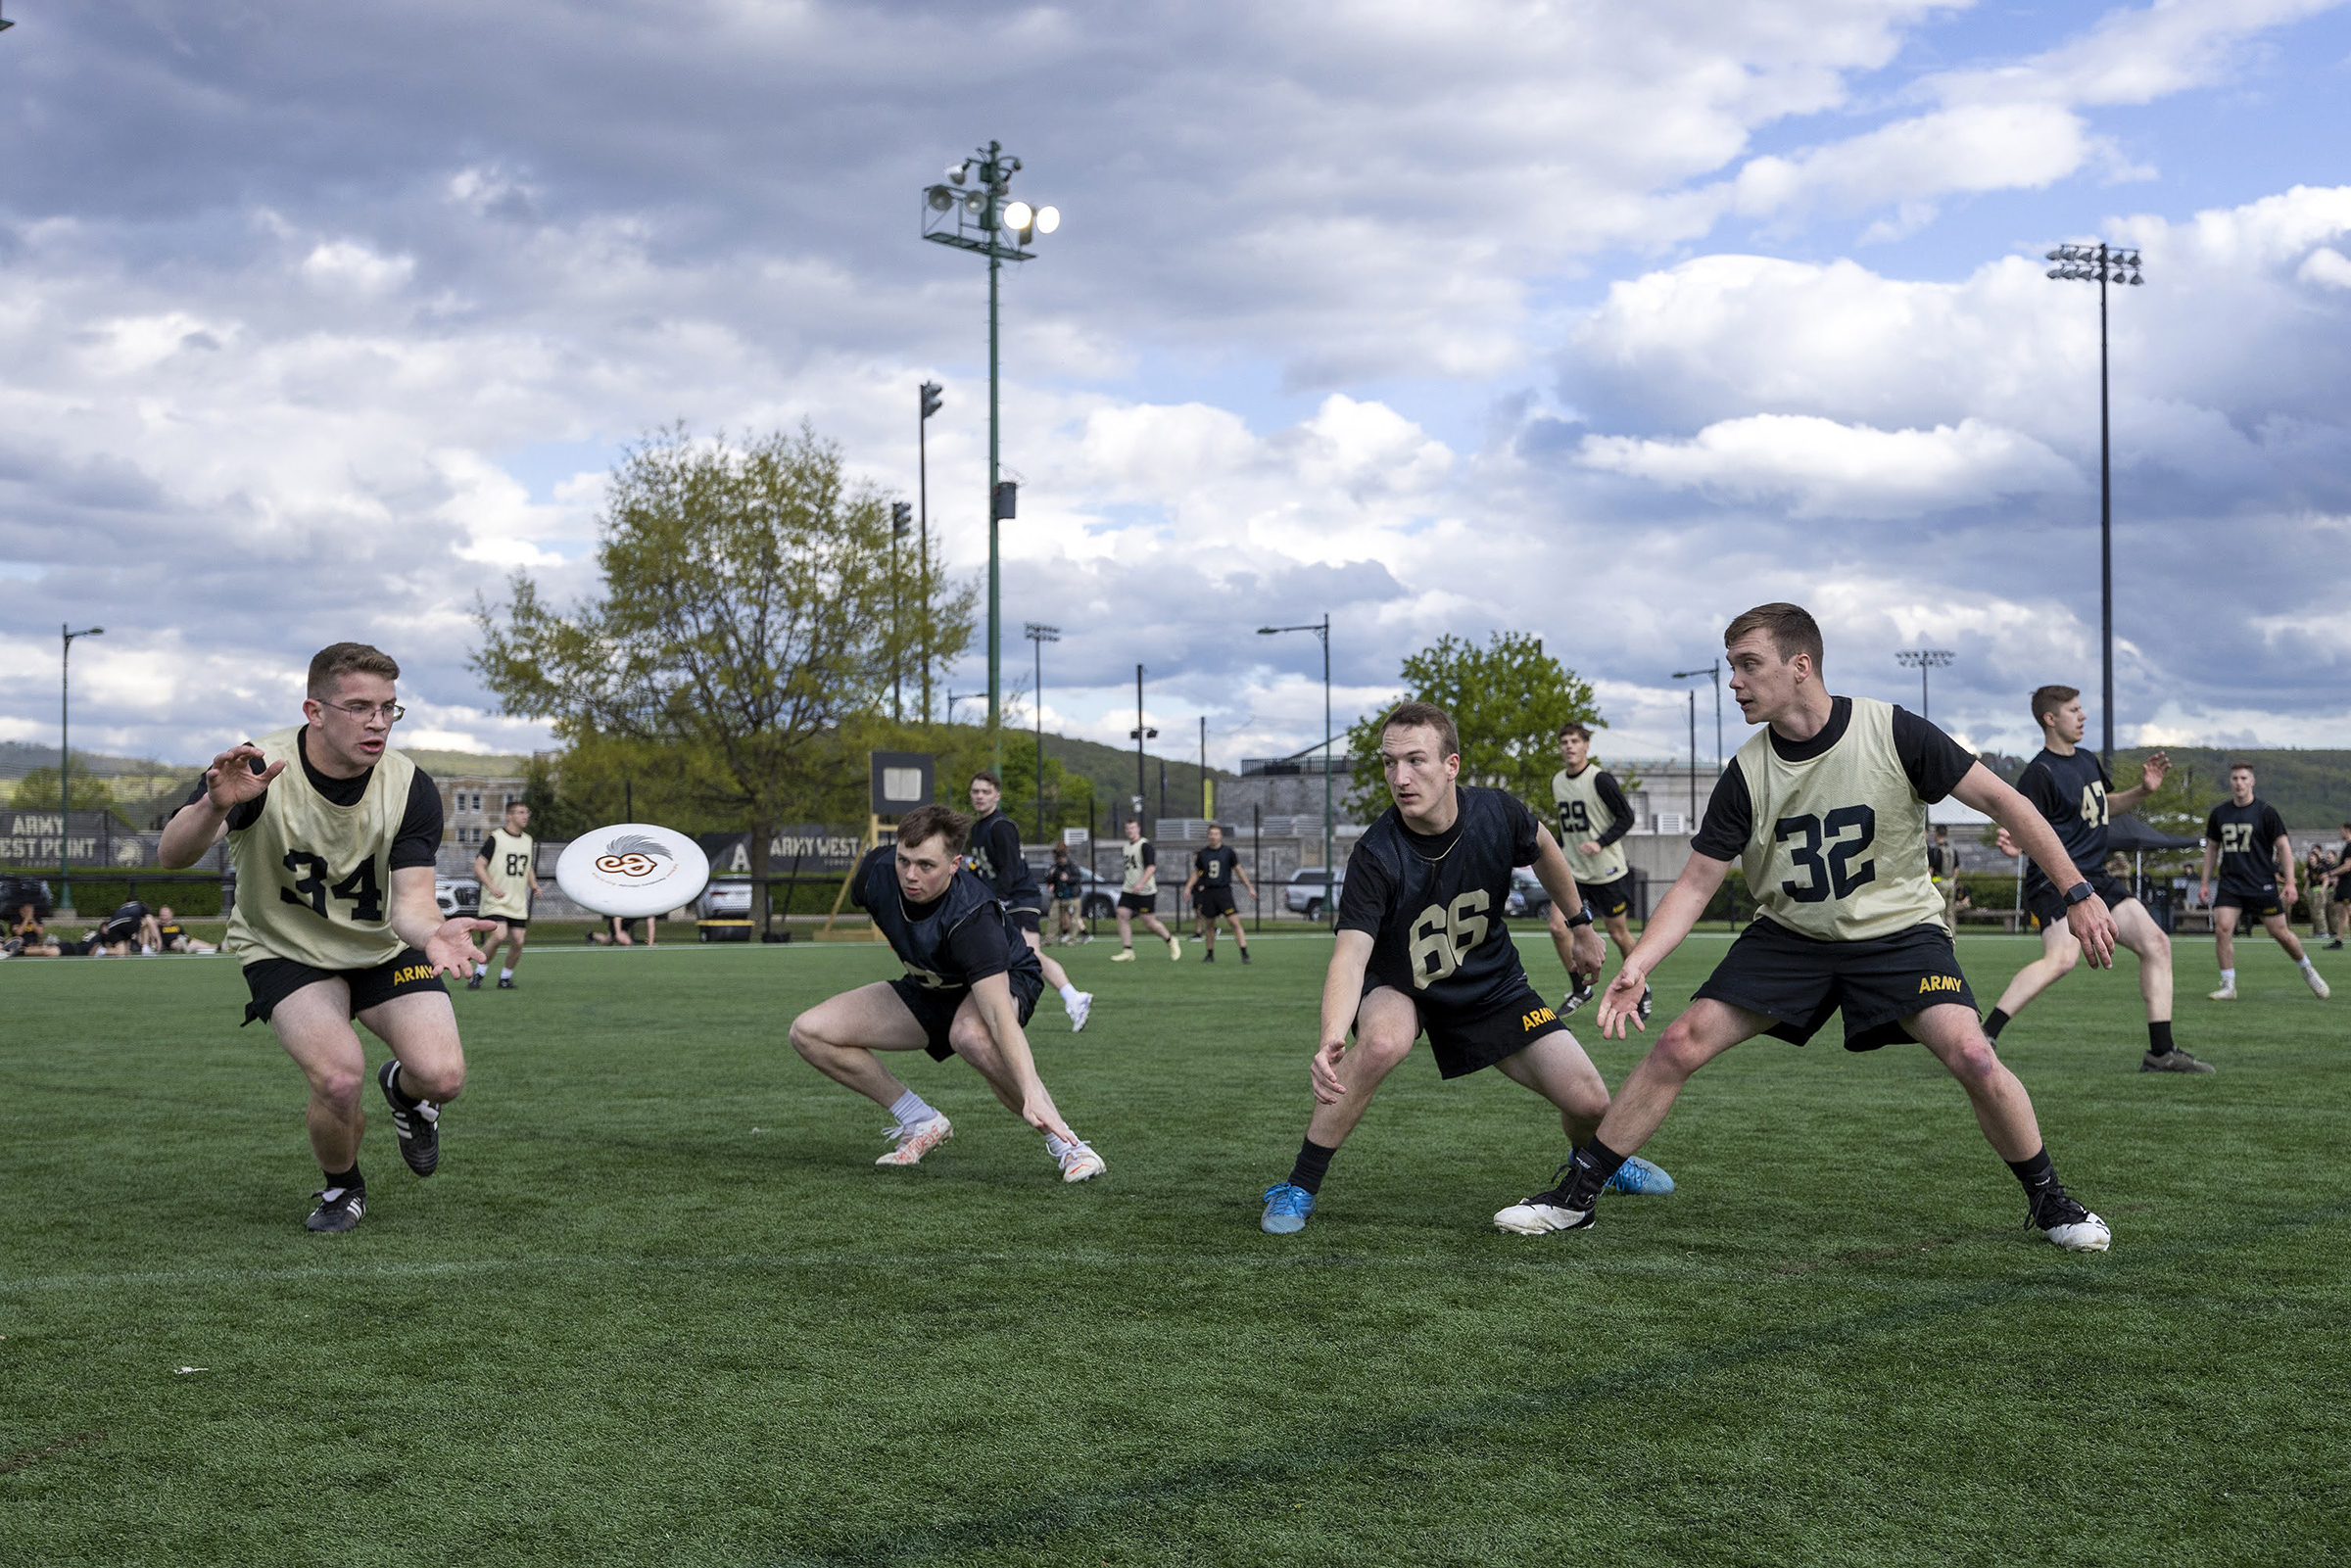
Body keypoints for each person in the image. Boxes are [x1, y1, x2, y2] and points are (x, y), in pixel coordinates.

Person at [1494, 603, 2116, 1253]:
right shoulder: (1748, 769)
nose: (1733, 680)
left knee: (1973, 1053)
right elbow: (1698, 881)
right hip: (1790, 936)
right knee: (1679, 1041)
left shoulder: (1893, 729)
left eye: (1748, 664)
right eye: (1732, 664)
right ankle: (1577, 1196)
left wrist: (2078, 890)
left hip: (1899, 932)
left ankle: (2051, 1202)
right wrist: (1640, 961)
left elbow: (2004, 800)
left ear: (1801, 666)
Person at [1258, 701, 1674, 1237]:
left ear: (1451, 764)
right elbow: (1350, 955)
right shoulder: (1376, 853)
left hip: (1490, 986)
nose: (1400, 778)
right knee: (1383, 1043)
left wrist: (1580, 924)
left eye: (1416, 761)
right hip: (1403, 984)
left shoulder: (1496, 812)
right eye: (1389, 763)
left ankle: (1596, 1164)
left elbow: (1544, 845)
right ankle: (1298, 1185)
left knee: (1592, 1103)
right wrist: (1331, 1037)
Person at [157, 642, 492, 1234]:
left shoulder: (410, 786)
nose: (378, 722)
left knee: (443, 1077)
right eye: (360, 707)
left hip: (382, 946)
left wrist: (435, 933)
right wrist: (214, 806)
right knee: (338, 1077)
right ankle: (343, 1187)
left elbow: (411, 902)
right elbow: (171, 856)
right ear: (315, 711)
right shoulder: (257, 768)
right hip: (286, 948)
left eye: (389, 708)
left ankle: (407, 1093)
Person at [787, 803, 1105, 1183]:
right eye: (903, 860)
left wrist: (1031, 1090)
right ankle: (919, 1120)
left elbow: (1000, 1019)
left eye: (926, 865)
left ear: (954, 864)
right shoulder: (874, 874)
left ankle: (1070, 1146)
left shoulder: (974, 917)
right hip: (932, 984)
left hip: (1004, 979)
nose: (910, 874)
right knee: (809, 1032)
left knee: (970, 1035)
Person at [1977, 687, 2202, 1071]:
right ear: (2050, 719)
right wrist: (2016, 845)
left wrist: (2143, 792)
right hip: (2055, 881)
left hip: (2097, 878)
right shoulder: (2039, 773)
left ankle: (2161, 1053)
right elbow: (2022, 822)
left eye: (2082, 709)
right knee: (2062, 959)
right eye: (2073, 710)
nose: (2082, 716)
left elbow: (2102, 806)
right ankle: (1983, 1037)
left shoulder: (2086, 760)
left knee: (2157, 943)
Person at [966, 771, 1092, 1031]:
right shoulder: (977, 828)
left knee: (1030, 953)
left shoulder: (1000, 826)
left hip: (1019, 897)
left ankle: (1073, 997)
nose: (979, 796)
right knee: (999, 954)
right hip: (1001, 900)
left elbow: (1010, 866)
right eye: (975, 791)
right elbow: (982, 868)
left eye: (985, 792)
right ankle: (998, 1009)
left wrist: (1000, 898)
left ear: (997, 796)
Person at [1544, 722, 1646, 1021]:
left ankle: (1639, 983)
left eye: (1575, 741)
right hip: (1574, 871)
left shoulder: (1599, 779)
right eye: (1564, 742)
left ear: (1586, 745)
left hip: (1607, 871)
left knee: (1617, 933)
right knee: (1557, 927)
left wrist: (1600, 843)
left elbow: (1626, 817)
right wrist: (1553, 855)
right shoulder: (1558, 781)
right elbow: (1566, 829)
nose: (1569, 746)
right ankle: (1580, 988)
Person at [2201, 763, 2327, 1000]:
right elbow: (2211, 848)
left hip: (2261, 882)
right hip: (2231, 882)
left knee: (2280, 933)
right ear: (2230, 782)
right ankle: (2228, 984)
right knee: (2222, 928)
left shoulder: (2266, 812)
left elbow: (2284, 847)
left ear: (2252, 782)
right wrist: (2205, 882)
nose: (2239, 782)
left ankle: (2307, 969)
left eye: (2243, 778)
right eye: (2235, 778)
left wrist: (2290, 883)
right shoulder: (2220, 813)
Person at [469, 799, 540, 990]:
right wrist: (491, 887)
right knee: (499, 935)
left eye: (527, 812)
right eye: (520, 812)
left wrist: (533, 885)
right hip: (496, 900)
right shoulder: (496, 837)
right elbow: (479, 865)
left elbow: (527, 866)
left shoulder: (528, 840)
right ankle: (479, 973)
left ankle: (505, 978)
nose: (525, 816)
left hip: (517, 901)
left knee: (518, 941)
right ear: (509, 816)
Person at [1182, 822, 1257, 963]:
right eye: (1211, 834)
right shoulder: (1203, 854)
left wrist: (1249, 887)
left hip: (1224, 892)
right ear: (1207, 836)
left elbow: (1239, 871)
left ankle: (1244, 953)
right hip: (1209, 892)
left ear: (1221, 836)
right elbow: (1196, 873)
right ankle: (1209, 954)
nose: (1213, 837)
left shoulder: (1228, 852)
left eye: (1216, 834)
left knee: (1234, 922)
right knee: (1209, 924)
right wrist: (1188, 886)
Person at [1110, 817, 1181, 962]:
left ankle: (1170, 940)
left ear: (1138, 829)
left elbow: (1151, 867)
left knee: (1148, 922)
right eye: (1127, 828)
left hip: (1145, 890)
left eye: (1132, 828)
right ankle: (1127, 950)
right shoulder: (1125, 847)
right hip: (1129, 888)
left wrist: (1141, 883)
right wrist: (1132, 884)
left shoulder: (1144, 845)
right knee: (1122, 913)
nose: (1130, 831)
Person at [1045, 843, 1086, 945]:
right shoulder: (1056, 868)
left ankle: (1071, 939)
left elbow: (1078, 878)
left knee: (1074, 919)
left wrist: (1068, 879)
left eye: (1063, 858)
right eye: (1059, 858)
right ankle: (1048, 940)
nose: (1061, 860)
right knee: (1053, 918)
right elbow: (1050, 881)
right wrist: (1051, 875)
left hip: (1072, 897)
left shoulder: (1072, 866)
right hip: (1059, 897)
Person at [2303, 839, 2333, 944]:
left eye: (2312, 858)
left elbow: (2326, 879)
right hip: (2312, 891)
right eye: (2309, 858)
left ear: (2316, 858)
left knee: (2319, 912)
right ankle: (2316, 931)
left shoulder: (2321, 868)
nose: (2310, 859)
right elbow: (2309, 880)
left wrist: (2322, 890)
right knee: (2313, 913)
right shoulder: (2311, 869)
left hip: (2319, 892)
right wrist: (2306, 890)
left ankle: (2323, 931)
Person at [151, 904, 216, 954]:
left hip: (183, 941)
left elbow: (183, 935)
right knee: (176, 944)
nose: (163, 915)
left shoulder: (177, 926)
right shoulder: (158, 926)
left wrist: (186, 939)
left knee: (197, 943)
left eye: (165, 913)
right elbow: (156, 938)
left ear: (171, 914)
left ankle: (218, 946)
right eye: (162, 913)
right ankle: (185, 947)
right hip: (172, 944)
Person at [2328, 823, 2351, 950]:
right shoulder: (2347, 846)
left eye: (2341, 830)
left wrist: (2330, 873)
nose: (2340, 833)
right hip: (2343, 883)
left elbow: (2348, 866)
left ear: (2347, 830)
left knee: (2349, 910)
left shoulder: (2350, 846)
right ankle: (2338, 940)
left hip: (2348, 883)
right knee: (2341, 911)